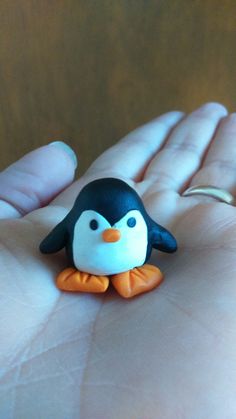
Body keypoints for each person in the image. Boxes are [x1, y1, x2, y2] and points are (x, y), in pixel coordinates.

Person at [0, 102, 236, 418]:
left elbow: (162, 237)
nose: (111, 235)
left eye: (125, 225)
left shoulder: (143, 224)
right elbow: (52, 241)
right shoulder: (74, 221)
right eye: (95, 225)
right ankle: (94, 277)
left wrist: (165, 240)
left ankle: (128, 276)